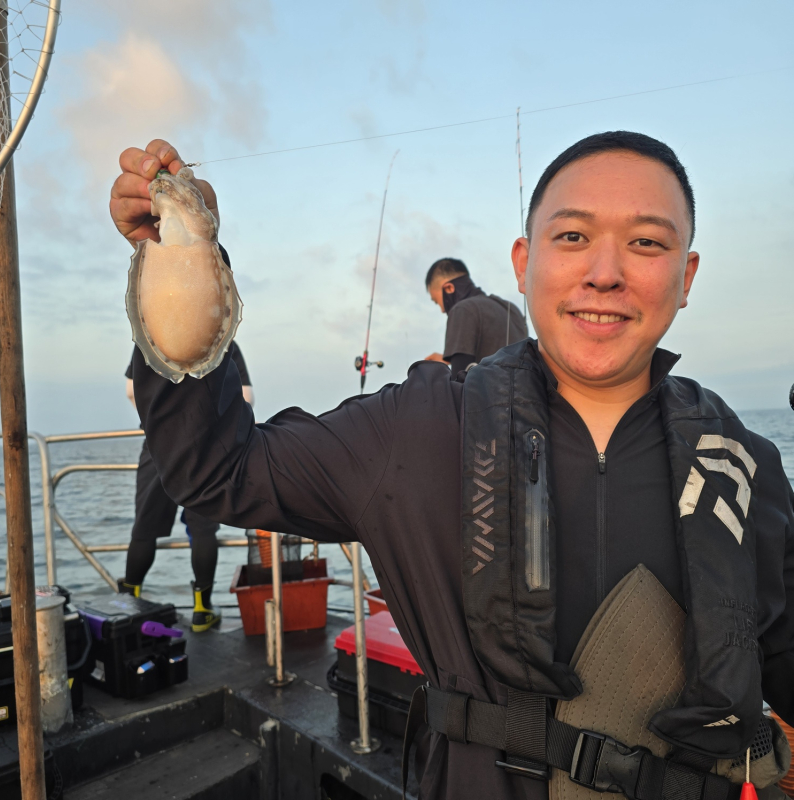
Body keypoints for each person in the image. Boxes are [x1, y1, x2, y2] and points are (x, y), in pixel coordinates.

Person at [110, 133, 794, 800]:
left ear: (687, 276)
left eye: (647, 241)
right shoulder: (415, 429)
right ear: (523, 263)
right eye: (573, 236)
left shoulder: (748, 469)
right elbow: (218, 470)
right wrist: (180, 255)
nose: (606, 271)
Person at [120, 343, 254, 633]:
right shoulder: (220, 336)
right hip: (204, 445)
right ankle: (202, 610)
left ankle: (127, 605)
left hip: (158, 444)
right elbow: (246, 396)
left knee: (144, 528)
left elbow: (132, 390)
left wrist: (154, 419)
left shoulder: (149, 338)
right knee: (203, 528)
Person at [424, 257, 528, 376]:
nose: (442, 310)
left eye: (437, 302)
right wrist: (450, 358)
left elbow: (459, 382)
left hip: (488, 394)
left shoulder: (462, 309)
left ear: (449, 288)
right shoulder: (511, 309)